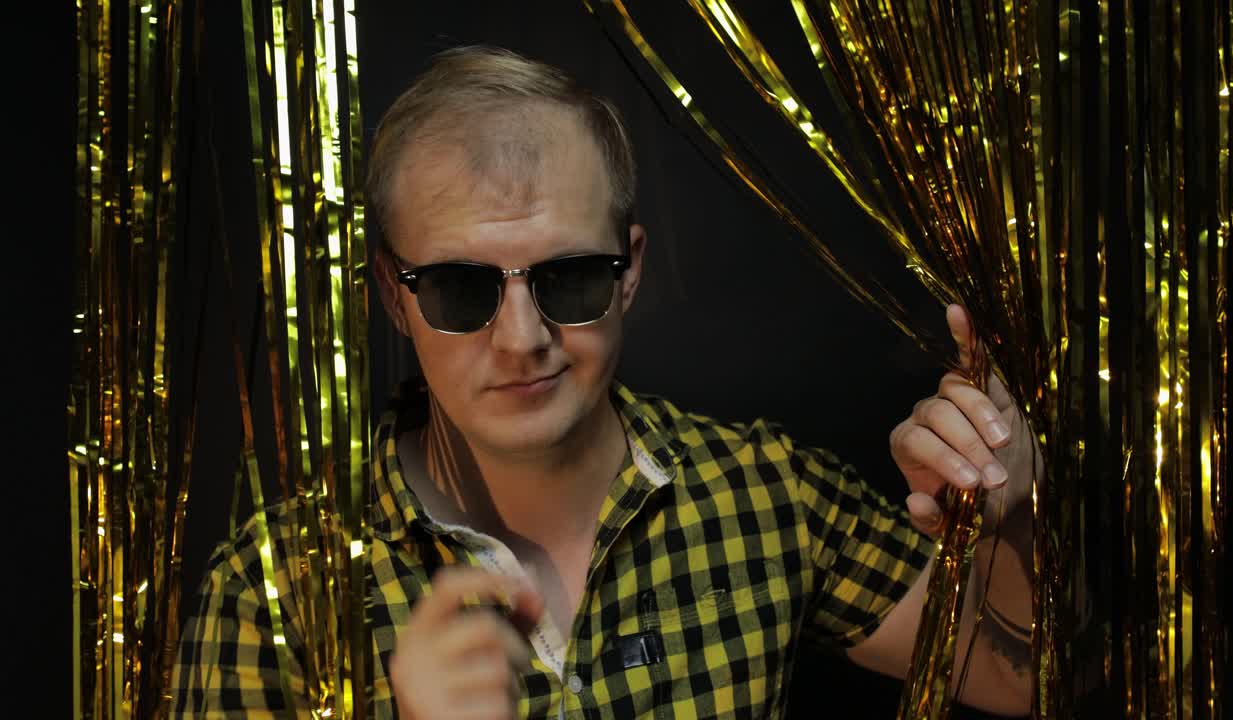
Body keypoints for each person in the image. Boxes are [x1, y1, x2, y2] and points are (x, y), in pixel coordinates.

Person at [172, 45, 1037, 719]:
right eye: (459, 288)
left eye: (571, 277)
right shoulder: (275, 588)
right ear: (394, 299)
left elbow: (1016, 684)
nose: (523, 340)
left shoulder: (768, 491)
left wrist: (1005, 520)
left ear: (629, 273)